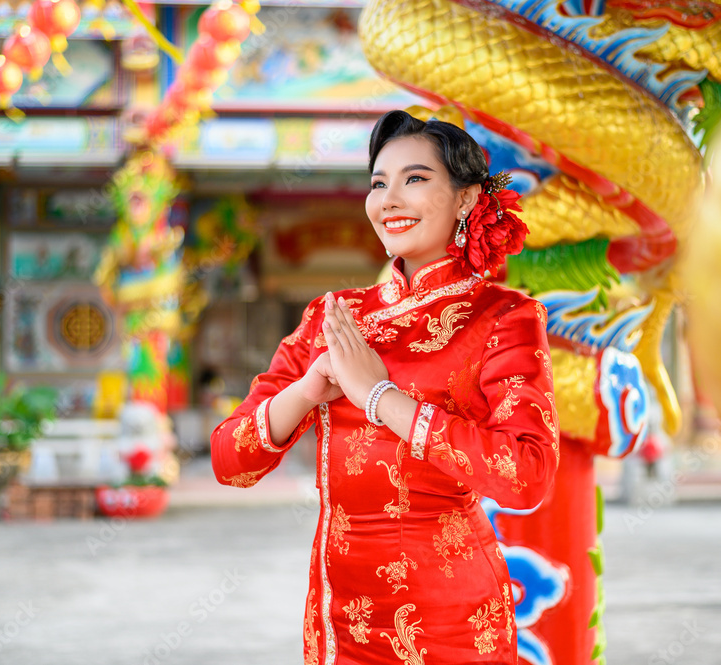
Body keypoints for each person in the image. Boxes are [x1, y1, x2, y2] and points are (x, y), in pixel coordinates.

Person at [211, 109, 560, 664]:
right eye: (378, 184)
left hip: (450, 620)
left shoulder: (503, 317)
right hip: (339, 619)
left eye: (414, 179)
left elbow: (526, 477)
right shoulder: (333, 316)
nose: (389, 200)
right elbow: (230, 461)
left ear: (466, 198)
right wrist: (306, 392)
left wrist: (379, 397)